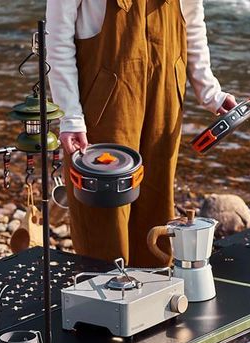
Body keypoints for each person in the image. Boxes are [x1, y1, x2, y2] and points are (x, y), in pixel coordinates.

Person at [46, 0, 236, 267]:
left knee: (157, 200)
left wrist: (211, 93)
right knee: (104, 206)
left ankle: (155, 291)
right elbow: (56, 40)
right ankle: (102, 292)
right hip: (104, 103)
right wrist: (70, 117)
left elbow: (192, 23)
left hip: (166, 94)